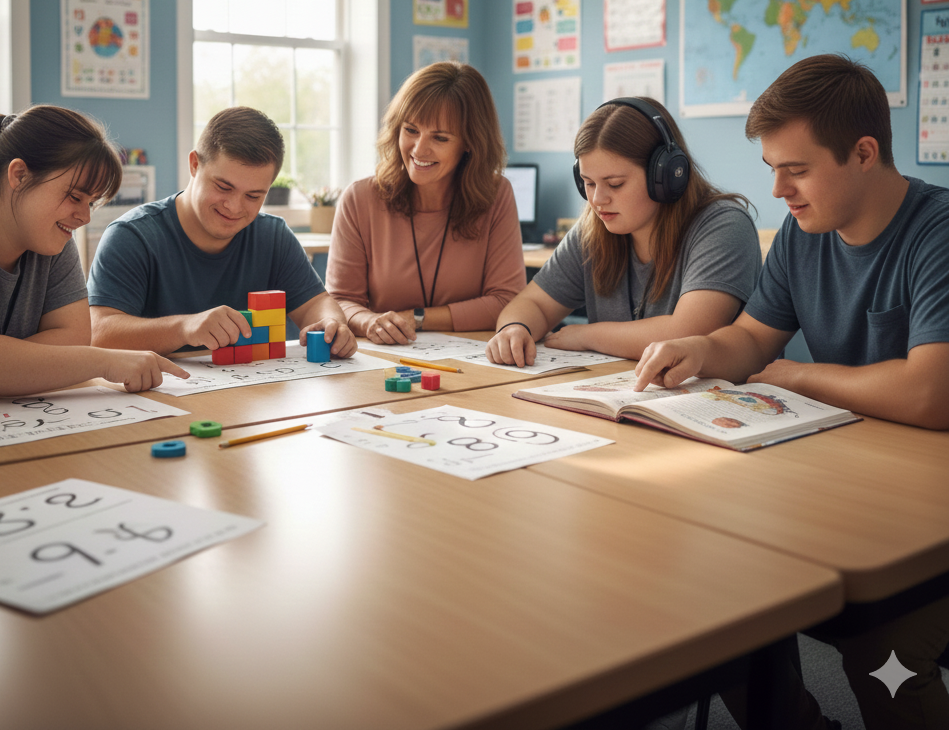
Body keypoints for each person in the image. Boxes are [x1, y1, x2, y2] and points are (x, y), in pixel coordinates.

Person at [634, 55, 949, 730]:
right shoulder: (806, 234)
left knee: (879, 649)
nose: (777, 188)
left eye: (795, 168)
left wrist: (798, 375)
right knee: (719, 604)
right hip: (853, 486)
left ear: (864, 154)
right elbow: (751, 338)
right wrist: (703, 349)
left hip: (932, 514)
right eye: (773, 167)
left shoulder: (937, 231)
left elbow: (930, 394)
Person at [0, 106, 186, 400]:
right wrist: (106, 361)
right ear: (19, 175)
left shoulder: (51, 240)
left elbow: (72, 339)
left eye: (91, 202)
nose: (85, 217)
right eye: (75, 197)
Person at [486, 97, 761, 367]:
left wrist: (585, 335)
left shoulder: (723, 225)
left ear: (665, 176)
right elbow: (533, 302)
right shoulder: (593, 228)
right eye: (588, 183)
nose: (597, 200)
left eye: (615, 184)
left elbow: (687, 333)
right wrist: (515, 328)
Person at [88, 105, 355, 357]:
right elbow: (99, 333)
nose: (234, 207)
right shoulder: (132, 237)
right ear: (194, 165)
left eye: (253, 196)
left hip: (251, 396)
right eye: (223, 187)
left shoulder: (272, 236)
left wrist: (331, 324)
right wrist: (185, 328)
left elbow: (314, 304)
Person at [326, 62, 526, 344]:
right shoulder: (359, 199)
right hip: (384, 358)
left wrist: (417, 317)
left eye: (440, 137)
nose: (419, 150)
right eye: (411, 130)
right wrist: (371, 322)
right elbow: (340, 301)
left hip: (473, 360)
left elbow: (508, 300)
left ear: (470, 143)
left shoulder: (496, 194)